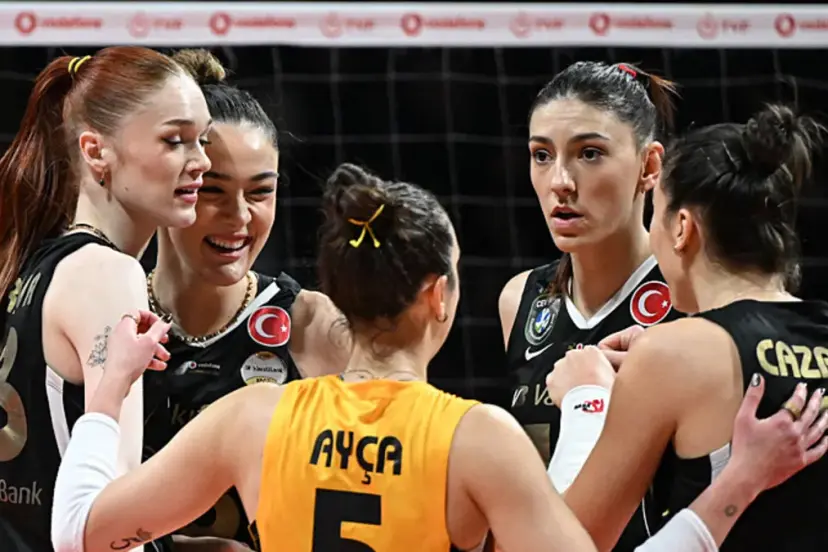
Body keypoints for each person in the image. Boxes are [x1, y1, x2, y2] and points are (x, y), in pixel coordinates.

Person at [50, 164, 826, 552]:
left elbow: (79, 532)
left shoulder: (249, 419)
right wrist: (598, 410)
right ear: (438, 296)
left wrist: (106, 396)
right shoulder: (475, 438)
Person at [544, 104, 828, 551]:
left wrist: (587, 399)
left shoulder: (673, 354)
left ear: (682, 228)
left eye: (655, 214)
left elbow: (564, 544)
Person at [0, 47, 212, 551]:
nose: (202, 161)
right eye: (175, 140)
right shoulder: (107, 276)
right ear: (96, 152)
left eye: (203, 140)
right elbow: (107, 526)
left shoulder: (29, 262)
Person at [142, 49, 350, 549]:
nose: (239, 217)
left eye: (260, 192)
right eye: (212, 190)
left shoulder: (316, 326)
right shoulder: (108, 312)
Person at [497, 61, 682, 550]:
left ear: (649, 167)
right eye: (542, 155)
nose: (560, 181)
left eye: (590, 154)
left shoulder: (693, 300)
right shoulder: (520, 300)